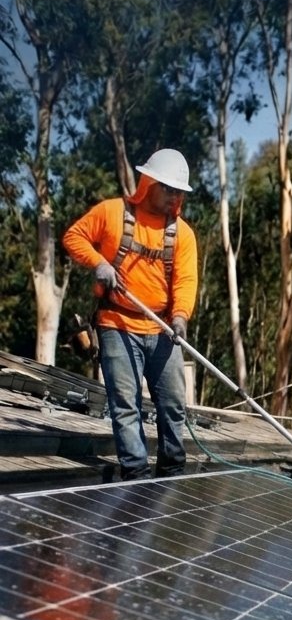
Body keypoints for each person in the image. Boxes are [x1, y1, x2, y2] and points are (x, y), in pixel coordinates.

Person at [63, 149, 198, 480]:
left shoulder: (182, 234)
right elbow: (73, 237)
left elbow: (185, 280)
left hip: (163, 329)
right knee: (126, 404)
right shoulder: (111, 213)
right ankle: (137, 477)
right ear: (148, 183)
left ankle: (171, 473)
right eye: (168, 188)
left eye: (179, 191)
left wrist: (180, 317)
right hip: (117, 324)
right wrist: (99, 263)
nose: (174, 196)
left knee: (172, 406)